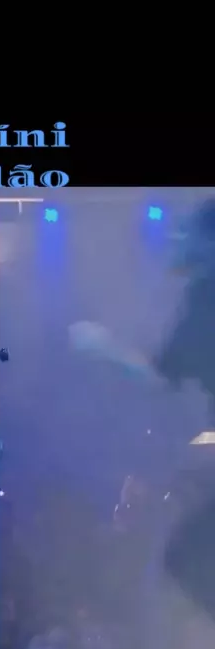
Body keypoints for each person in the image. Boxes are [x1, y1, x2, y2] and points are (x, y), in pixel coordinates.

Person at [69, 198, 215, 621]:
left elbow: (156, 376)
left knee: (187, 558)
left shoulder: (205, 298)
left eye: (189, 233)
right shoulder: (201, 299)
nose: (177, 239)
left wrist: (100, 346)